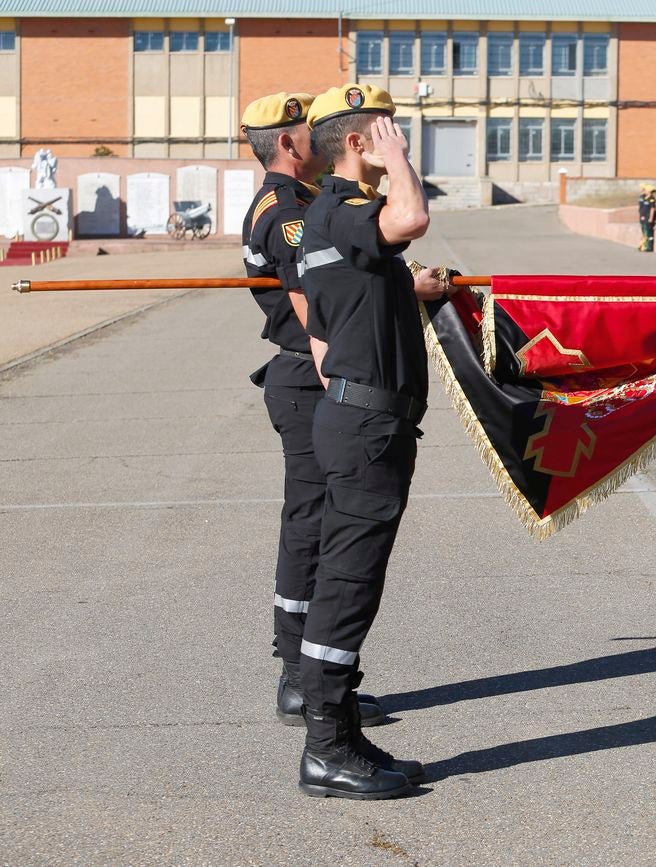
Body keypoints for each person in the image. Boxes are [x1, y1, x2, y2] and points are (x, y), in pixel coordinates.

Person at [296, 84, 457, 799]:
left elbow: (339, 323)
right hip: (366, 426)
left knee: (350, 579)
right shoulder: (348, 209)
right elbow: (412, 216)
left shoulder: (329, 221)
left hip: (357, 417)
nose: (400, 142)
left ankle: (344, 730)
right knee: (349, 582)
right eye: (388, 132)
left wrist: (408, 291)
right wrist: (398, 167)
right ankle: (325, 747)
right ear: (358, 143)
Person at [239, 91, 389, 731]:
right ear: (289, 142)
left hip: (306, 378)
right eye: (307, 130)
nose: (316, 139)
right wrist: (340, 379)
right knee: (313, 525)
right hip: (311, 378)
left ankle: (305, 675)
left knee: (314, 521)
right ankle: (300, 677)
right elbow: (312, 304)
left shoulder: (296, 201)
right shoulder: (287, 211)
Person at [638, 183, 656, 252]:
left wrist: (651, 218)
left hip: (648, 218)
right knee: (644, 232)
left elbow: (652, 209)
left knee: (649, 233)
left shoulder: (651, 199)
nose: (644, 191)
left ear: (649, 191)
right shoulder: (643, 197)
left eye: (645, 190)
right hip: (643, 218)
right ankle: (643, 245)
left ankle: (649, 246)